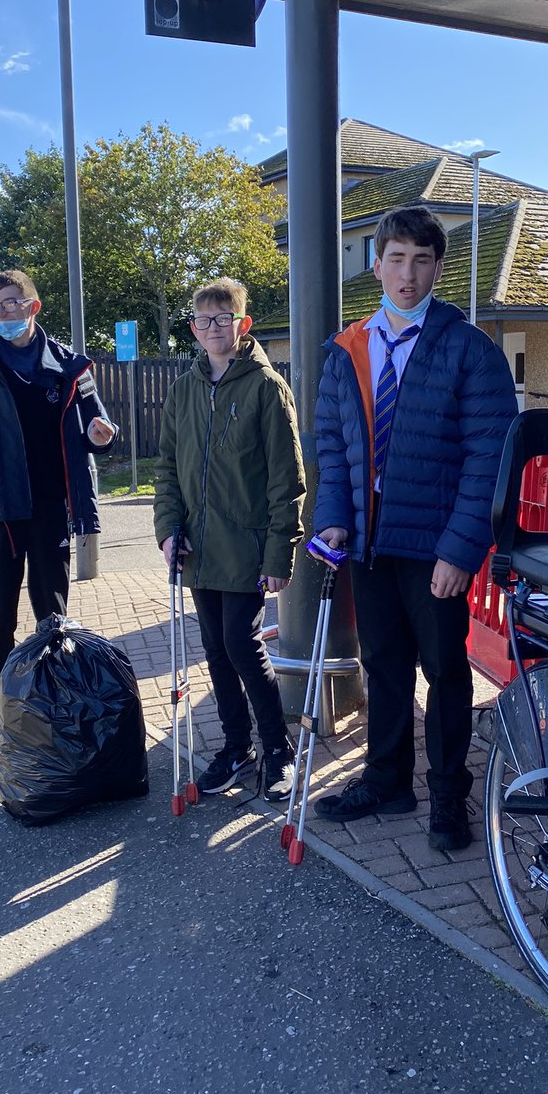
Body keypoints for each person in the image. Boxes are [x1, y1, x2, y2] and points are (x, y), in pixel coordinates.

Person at [311, 206, 518, 850]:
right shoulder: (348, 350)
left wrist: (461, 551)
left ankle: (449, 797)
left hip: (435, 550)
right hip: (370, 544)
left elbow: (491, 458)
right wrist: (333, 521)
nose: (407, 274)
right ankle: (387, 780)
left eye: (421, 260)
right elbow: (330, 444)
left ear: (437, 267)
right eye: (396, 259)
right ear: (376, 265)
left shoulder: (469, 350)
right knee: (385, 665)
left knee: (445, 671)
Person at [0, 270, 118, 763]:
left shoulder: (70, 365)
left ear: (33, 307)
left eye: (12, 304)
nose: (3, 313)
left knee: (52, 620)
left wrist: (102, 435)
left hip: (53, 508)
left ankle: (51, 714)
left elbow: (97, 423)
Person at [154, 278, 306, 802]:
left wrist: (279, 552)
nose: (213, 329)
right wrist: (167, 530)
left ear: (242, 326)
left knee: (243, 646)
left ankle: (278, 749)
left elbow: (287, 480)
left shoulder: (266, 388)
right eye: (203, 321)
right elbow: (168, 469)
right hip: (199, 548)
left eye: (223, 319)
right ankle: (237, 746)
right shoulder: (183, 388)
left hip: (246, 548)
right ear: (193, 328)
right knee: (216, 648)